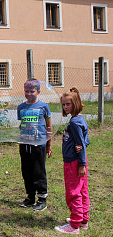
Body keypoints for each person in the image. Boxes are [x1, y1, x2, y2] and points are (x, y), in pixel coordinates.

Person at [54, 87, 90, 235]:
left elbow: (82, 142)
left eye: (68, 104)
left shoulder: (74, 122)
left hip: (74, 163)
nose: (65, 107)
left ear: (75, 103)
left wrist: (81, 164)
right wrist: (81, 149)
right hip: (79, 161)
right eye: (63, 104)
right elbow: (86, 140)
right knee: (82, 190)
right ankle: (83, 220)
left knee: (73, 192)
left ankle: (74, 226)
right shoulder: (79, 119)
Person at [17, 78, 53, 211]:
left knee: (39, 171)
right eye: (26, 91)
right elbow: (21, 125)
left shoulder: (44, 106)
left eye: (32, 91)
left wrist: (48, 144)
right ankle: (30, 197)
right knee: (26, 171)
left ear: (38, 91)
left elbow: (49, 127)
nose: (29, 94)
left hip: (39, 145)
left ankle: (42, 198)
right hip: (25, 144)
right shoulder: (21, 107)